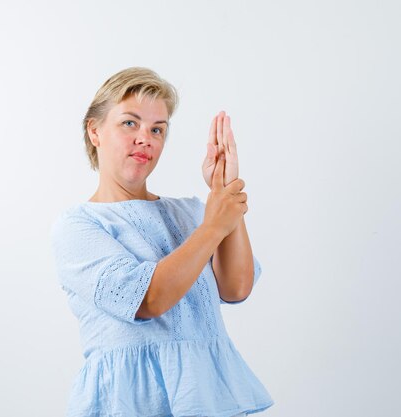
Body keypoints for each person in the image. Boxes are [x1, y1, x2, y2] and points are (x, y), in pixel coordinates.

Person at [49, 67, 274, 417]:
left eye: (157, 129)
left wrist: (224, 191)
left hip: (206, 401)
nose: (146, 138)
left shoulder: (192, 214)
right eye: (129, 123)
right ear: (95, 131)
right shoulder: (79, 225)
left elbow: (236, 287)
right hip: (129, 404)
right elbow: (147, 300)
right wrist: (215, 224)